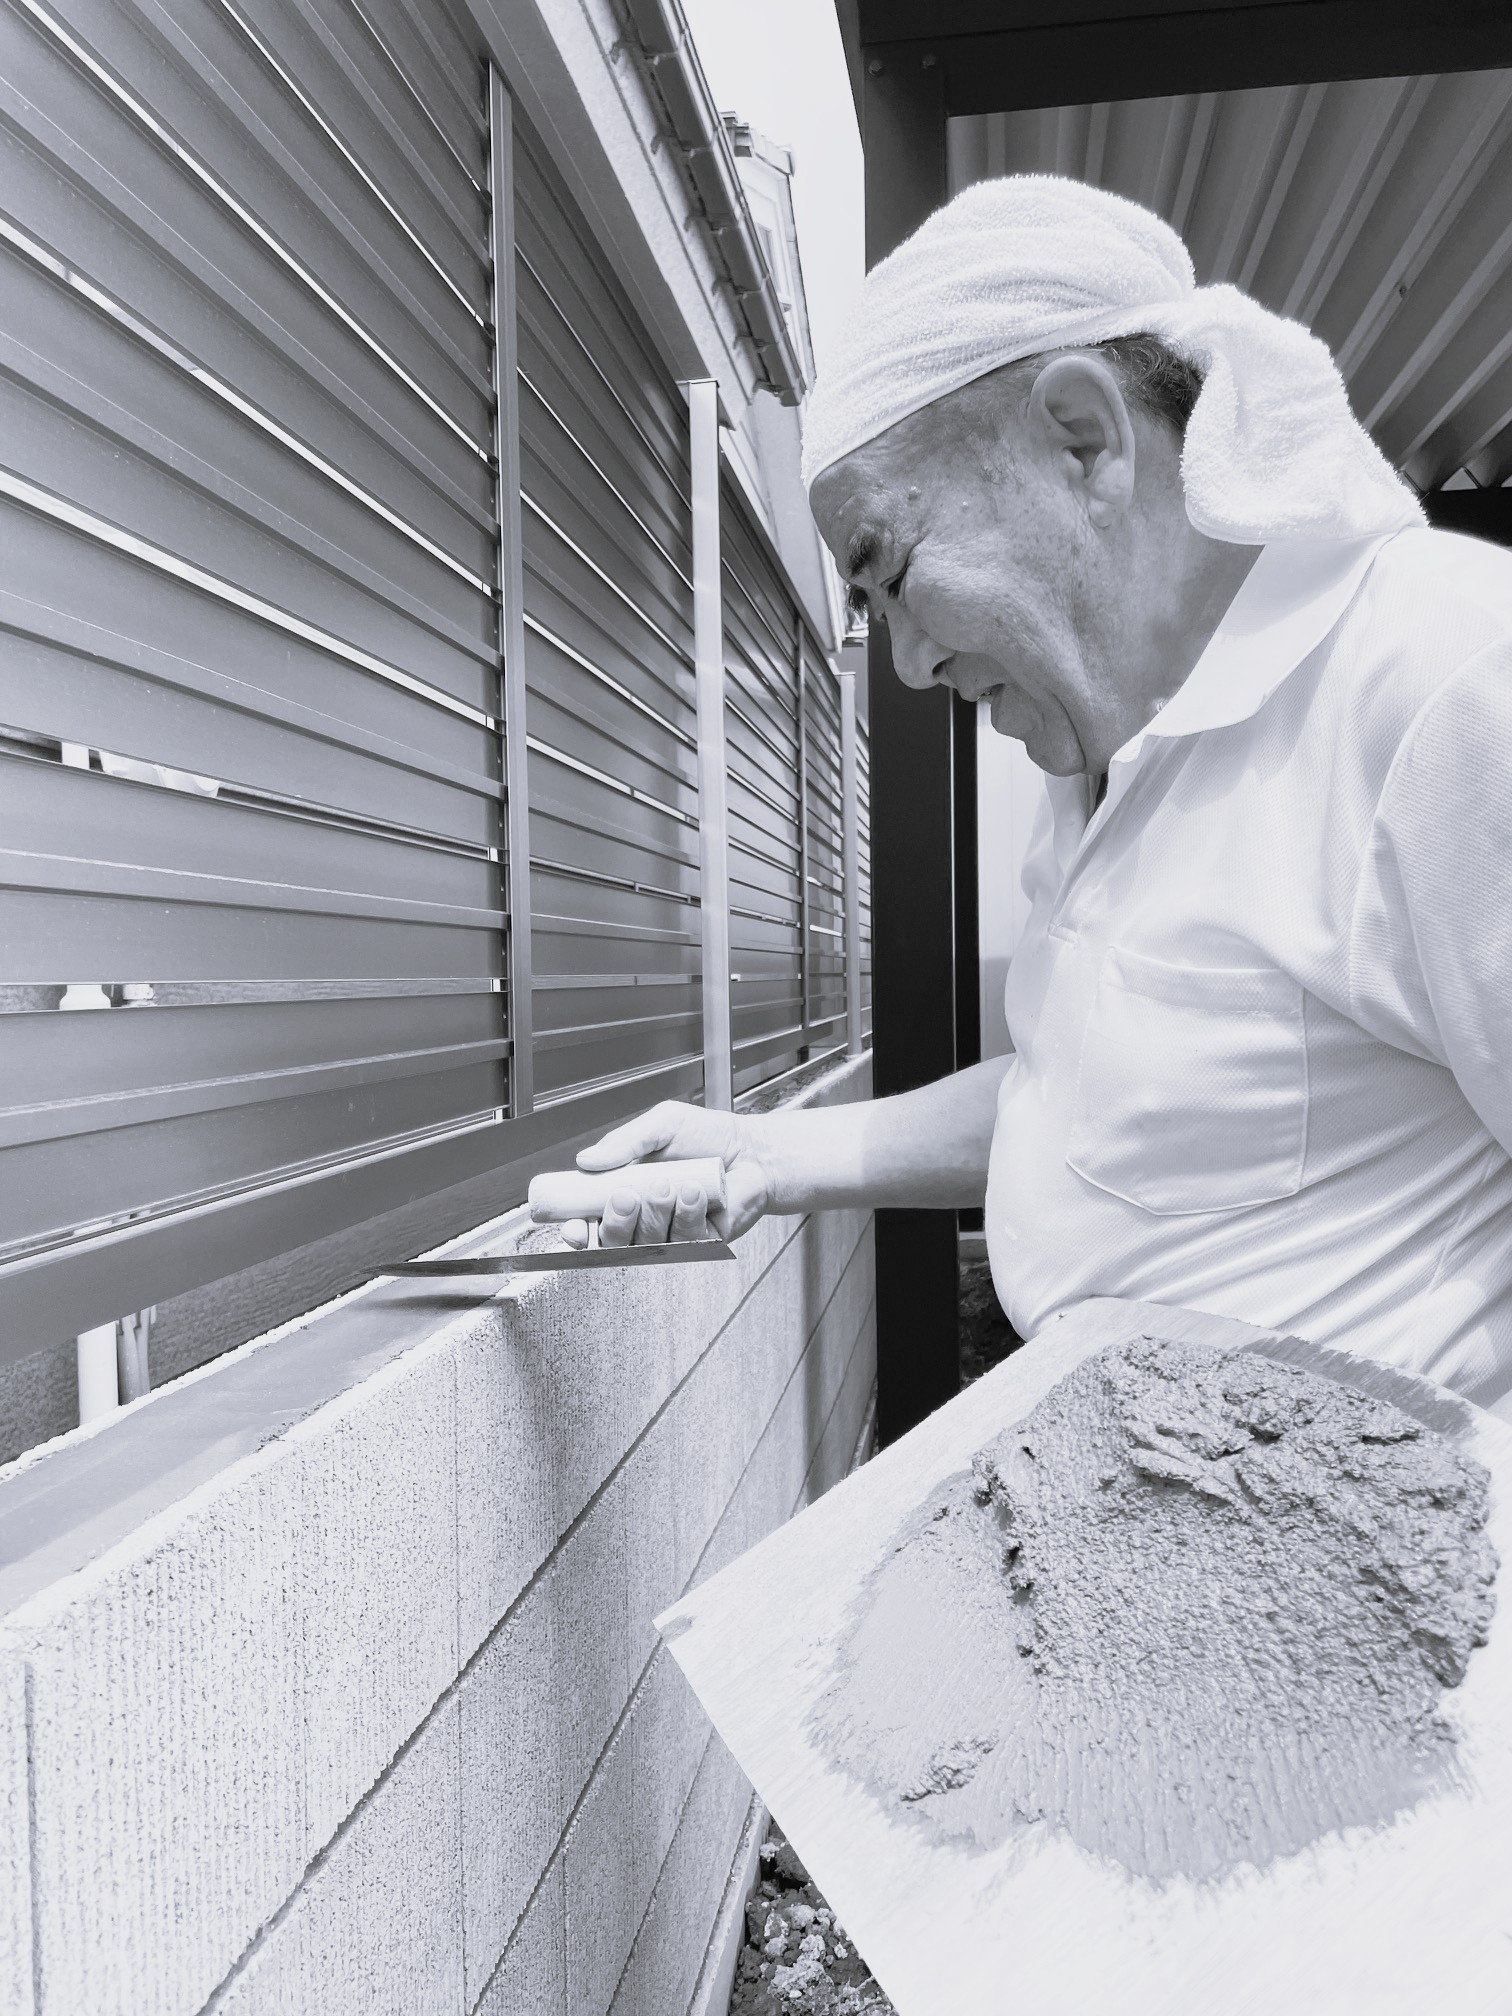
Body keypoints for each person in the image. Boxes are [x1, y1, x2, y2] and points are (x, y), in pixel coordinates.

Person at [532, 176, 1512, 1413]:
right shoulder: (1106, 762)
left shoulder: (1448, 682)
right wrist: (762, 1153)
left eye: (889, 571)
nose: (906, 663)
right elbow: (1080, 1100)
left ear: (1083, 439)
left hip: (1367, 1525)